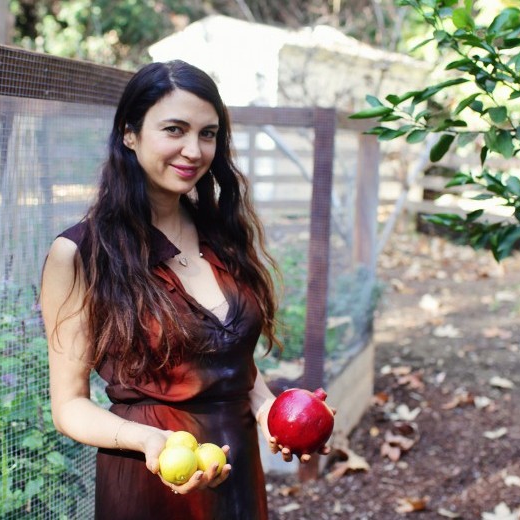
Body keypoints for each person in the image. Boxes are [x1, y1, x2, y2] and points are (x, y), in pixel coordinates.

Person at [40, 60, 329, 520]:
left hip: (237, 471)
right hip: (149, 482)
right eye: (175, 129)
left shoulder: (222, 233)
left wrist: (273, 414)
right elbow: (69, 405)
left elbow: (232, 362)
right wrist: (148, 441)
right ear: (129, 134)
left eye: (208, 134)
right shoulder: (79, 254)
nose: (194, 150)